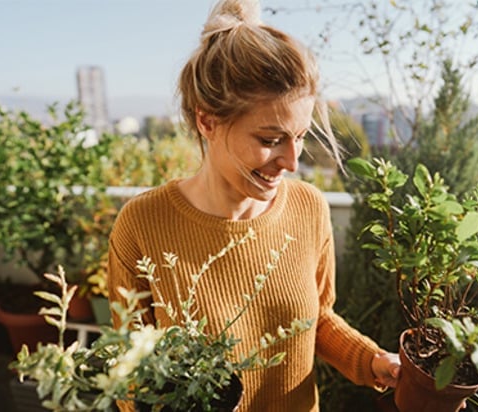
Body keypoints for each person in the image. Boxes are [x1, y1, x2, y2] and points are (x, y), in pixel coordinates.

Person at [107, 0, 401, 410]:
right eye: (269, 140)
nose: (292, 161)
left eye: (299, 136)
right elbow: (131, 371)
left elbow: (316, 321)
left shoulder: (309, 208)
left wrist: (374, 362)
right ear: (207, 122)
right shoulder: (142, 224)